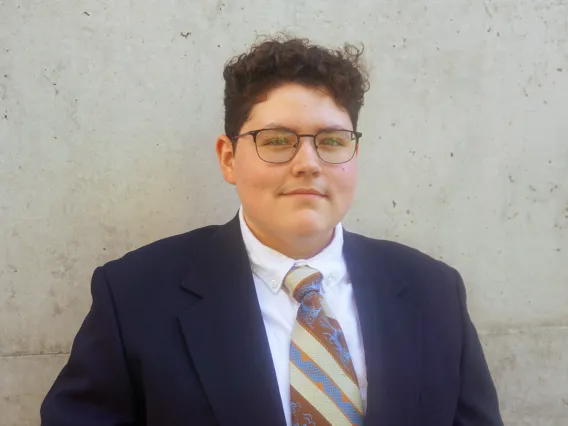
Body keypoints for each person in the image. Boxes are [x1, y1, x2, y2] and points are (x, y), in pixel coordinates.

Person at [40, 36, 503, 426]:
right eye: (277, 141)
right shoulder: (136, 295)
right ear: (228, 157)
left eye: (332, 141)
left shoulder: (432, 291)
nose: (308, 164)